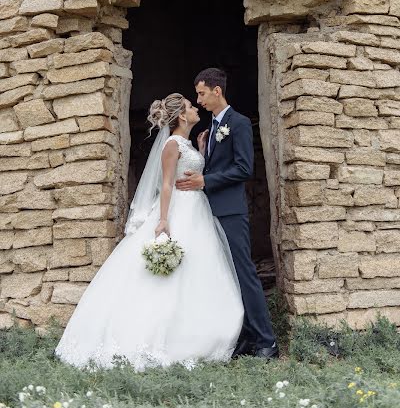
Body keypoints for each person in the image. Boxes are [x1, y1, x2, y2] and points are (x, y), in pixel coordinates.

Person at [55, 93, 244, 370]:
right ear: (181, 115)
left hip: (197, 210)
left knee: (198, 269)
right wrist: (164, 220)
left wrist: (201, 151)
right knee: (174, 276)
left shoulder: (187, 143)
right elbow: (167, 184)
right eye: (191, 107)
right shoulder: (171, 144)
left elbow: (188, 173)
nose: (195, 109)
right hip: (180, 210)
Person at [175, 68, 279, 360]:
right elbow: (220, 164)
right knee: (228, 276)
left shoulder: (240, 123)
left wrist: (205, 180)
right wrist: (204, 151)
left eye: (201, 93)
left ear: (216, 91)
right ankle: (244, 336)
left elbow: (245, 169)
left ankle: (267, 341)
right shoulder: (212, 125)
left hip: (231, 211)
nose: (199, 99)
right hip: (212, 211)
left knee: (244, 273)